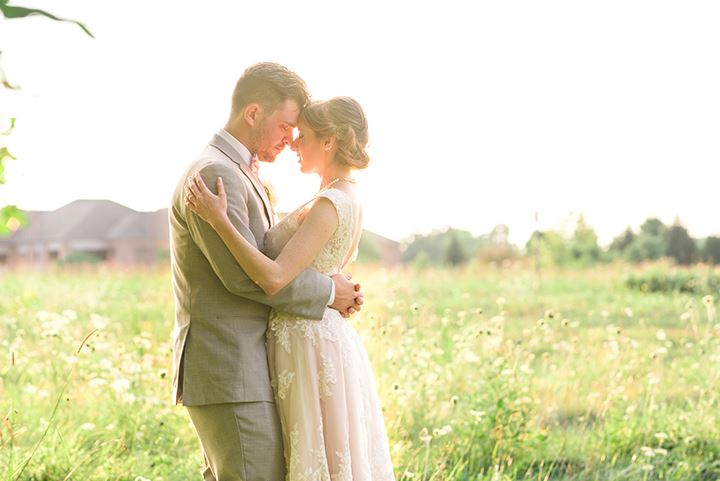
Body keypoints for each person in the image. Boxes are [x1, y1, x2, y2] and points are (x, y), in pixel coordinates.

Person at [169, 62, 364, 481]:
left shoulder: (239, 171)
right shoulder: (215, 172)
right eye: (286, 126)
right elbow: (244, 277)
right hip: (229, 366)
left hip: (248, 366)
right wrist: (329, 293)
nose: (292, 139)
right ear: (253, 113)